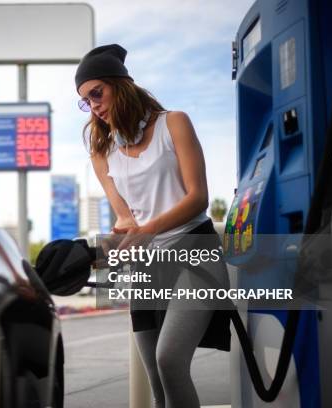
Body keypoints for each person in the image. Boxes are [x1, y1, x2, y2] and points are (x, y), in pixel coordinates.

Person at [75, 44, 230, 408]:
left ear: (121, 84)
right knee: (157, 387)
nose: (94, 105)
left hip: (195, 251)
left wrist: (149, 229)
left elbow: (198, 197)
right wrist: (119, 238)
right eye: (85, 100)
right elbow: (126, 217)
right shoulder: (102, 152)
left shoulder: (173, 122)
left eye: (97, 92)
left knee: (170, 360)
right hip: (148, 265)